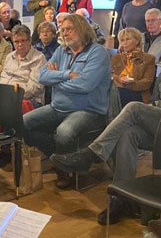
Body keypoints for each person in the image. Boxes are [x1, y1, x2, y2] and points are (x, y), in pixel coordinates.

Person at [50, 27, 161, 226]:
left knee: (133, 108)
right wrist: (155, 105)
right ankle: (121, 199)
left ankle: (91, 154)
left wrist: (154, 106)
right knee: (128, 133)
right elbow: (155, 98)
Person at [23, 14, 111, 188]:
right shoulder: (61, 51)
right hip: (58, 107)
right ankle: (58, 158)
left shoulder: (97, 53)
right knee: (22, 123)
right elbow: (43, 76)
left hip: (88, 110)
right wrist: (66, 75)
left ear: (82, 29)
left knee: (64, 131)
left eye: (68, 29)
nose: (64, 33)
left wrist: (55, 82)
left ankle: (66, 172)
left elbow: (85, 85)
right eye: (62, 30)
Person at [0, 25, 47, 168]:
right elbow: (3, 78)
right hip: (8, 95)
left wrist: (12, 95)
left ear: (30, 41)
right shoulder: (10, 56)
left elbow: (35, 87)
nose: (20, 45)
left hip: (31, 99)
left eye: (23, 41)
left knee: (9, 107)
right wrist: (5, 93)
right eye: (16, 42)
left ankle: (5, 150)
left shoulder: (39, 58)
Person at [112, 27, 155, 107]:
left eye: (128, 39)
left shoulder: (148, 58)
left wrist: (128, 84)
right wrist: (119, 79)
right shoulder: (116, 58)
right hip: (117, 90)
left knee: (115, 92)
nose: (124, 43)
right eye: (122, 40)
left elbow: (147, 83)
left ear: (137, 40)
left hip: (138, 93)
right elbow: (110, 75)